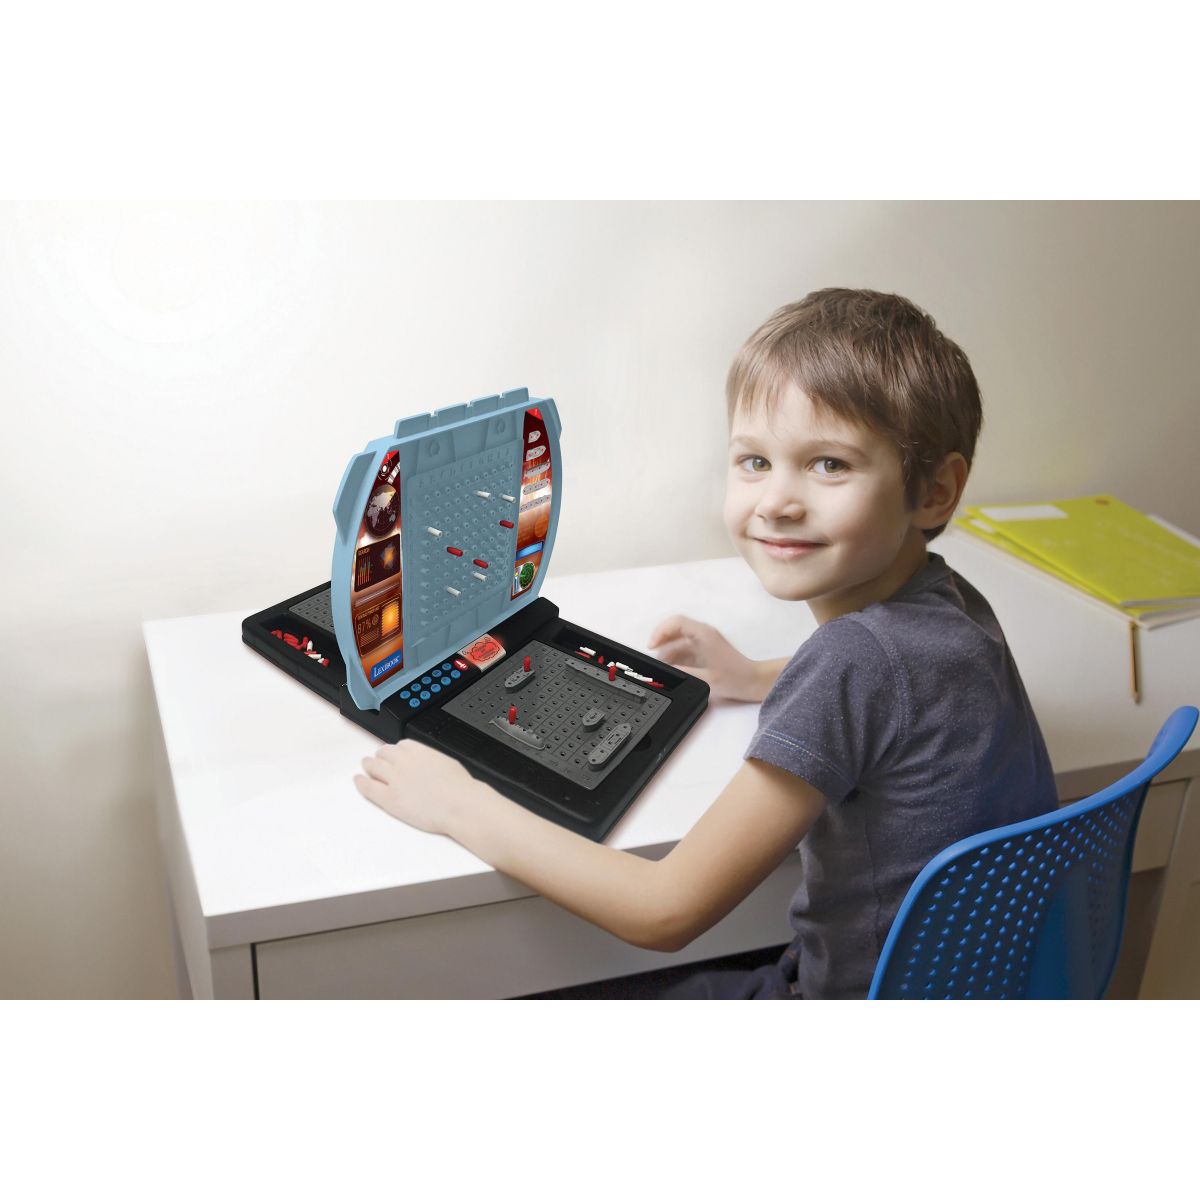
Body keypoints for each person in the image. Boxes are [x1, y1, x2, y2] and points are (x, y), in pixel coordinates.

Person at [353, 288, 1058, 999]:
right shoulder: (951, 606)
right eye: (755, 461)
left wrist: (457, 803)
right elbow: (889, 693)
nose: (777, 502)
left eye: (830, 465)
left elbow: (663, 910)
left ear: (934, 491)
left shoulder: (853, 664)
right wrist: (755, 676)